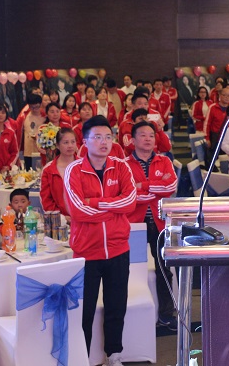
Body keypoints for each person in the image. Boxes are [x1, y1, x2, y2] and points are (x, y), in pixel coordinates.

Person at [64, 115, 137, 365]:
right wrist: (113, 208)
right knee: (84, 311)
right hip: (87, 252)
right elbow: (77, 211)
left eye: (108, 137)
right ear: (84, 142)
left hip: (118, 249)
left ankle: (114, 354)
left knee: (116, 306)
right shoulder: (74, 170)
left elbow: (130, 202)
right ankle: (82, 358)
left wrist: (94, 203)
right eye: (97, 137)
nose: (104, 142)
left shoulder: (121, 167)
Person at [125, 121, 178, 330]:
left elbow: (171, 186)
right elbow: (127, 194)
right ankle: (132, 314)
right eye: (142, 135)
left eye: (151, 135)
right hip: (134, 224)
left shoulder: (164, 161)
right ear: (133, 139)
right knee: (131, 269)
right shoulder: (124, 165)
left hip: (159, 222)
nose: (147, 139)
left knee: (164, 269)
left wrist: (143, 186)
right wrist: (154, 189)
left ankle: (166, 314)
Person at [40, 127, 76, 217]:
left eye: (73, 142)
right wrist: (62, 218)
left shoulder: (85, 166)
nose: (70, 146)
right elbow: (46, 200)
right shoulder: (48, 170)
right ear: (57, 145)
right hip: (59, 220)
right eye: (66, 142)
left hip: (83, 219)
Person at [204, 86, 229, 158]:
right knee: (214, 159)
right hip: (215, 138)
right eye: (224, 95)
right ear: (220, 95)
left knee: (227, 159)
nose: (227, 97)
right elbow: (207, 124)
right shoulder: (213, 107)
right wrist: (207, 138)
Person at [20, 94, 45, 169]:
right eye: (31, 107)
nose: (34, 109)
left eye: (37, 107)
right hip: (28, 151)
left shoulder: (45, 116)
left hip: (42, 151)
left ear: (41, 104)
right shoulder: (24, 116)